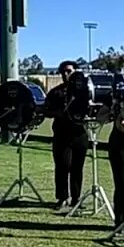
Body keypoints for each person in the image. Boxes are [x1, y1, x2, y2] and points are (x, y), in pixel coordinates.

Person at [44, 60, 88, 212]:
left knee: (77, 168)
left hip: (79, 134)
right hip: (62, 134)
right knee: (62, 166)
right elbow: (45, 110)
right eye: (63, 72)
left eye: (69, 71)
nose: (65, 74)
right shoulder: (56, 92)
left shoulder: (84, 92)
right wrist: (56, 113)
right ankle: (62, 197)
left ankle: (76, 198)